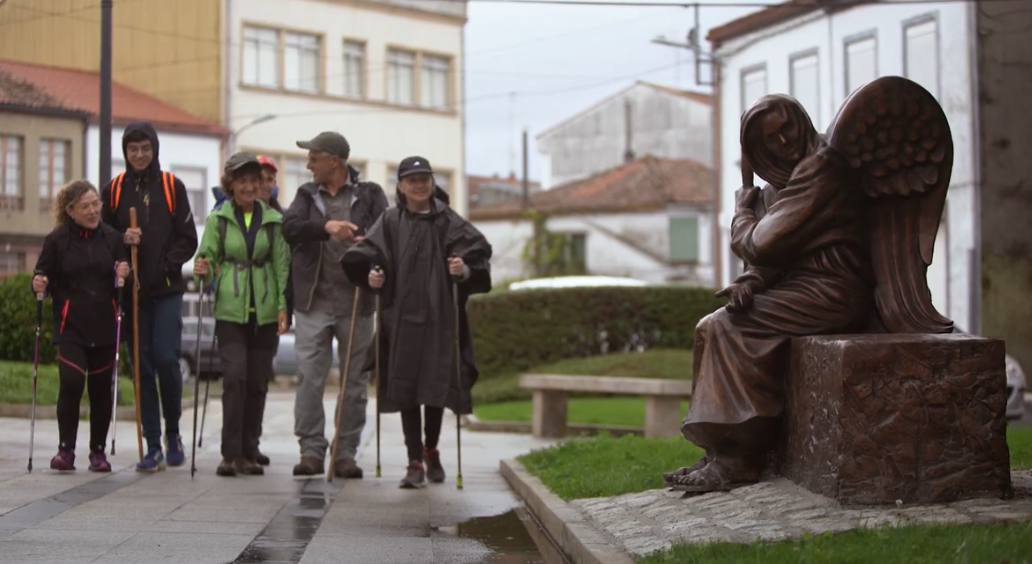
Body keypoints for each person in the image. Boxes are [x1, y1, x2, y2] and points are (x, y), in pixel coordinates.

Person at [342, 156, 493, 489]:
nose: (419, 184)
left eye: (424, 178)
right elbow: (371, 256)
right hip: (402, 318)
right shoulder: (391, 220)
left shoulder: (449, 221)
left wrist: (463, 270)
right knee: (407, 387)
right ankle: (414, 461)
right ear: (400, 186)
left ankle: (431, 448)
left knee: (435, 388)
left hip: (441, 319)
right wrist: (373, 277)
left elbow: (477, 253)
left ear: (432, 183)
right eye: (412, 179)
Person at [281, 131, 388, 479]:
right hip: (313, 303)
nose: (308, 164)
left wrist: (364, 241)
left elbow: (386, 231)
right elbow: (290, 227)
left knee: (354, 383)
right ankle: (311, 450)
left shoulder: (370, 193)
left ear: (334, 160)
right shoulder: (305, 195)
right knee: (310, 378)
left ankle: (345, 453)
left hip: (357, 301)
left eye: (314, 157)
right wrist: (326, 226)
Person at [101, 121, 198, 472]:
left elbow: (188, 239)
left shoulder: (173, 187)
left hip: (167, 289)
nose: (139, 155)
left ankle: (174, 433)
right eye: (132, 149)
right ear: (125, 153)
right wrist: (121, 241)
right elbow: (104, 235)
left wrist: (164, 267)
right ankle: (152, 443)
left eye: (145, 148)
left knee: (166, 361)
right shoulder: (113, 190)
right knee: (141, 368)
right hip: (133, 294)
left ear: (154, 149)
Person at [193, 153, 290, 477]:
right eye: (242, 181)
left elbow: (281, 267)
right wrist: (202, 271)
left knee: (258, 383)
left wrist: (282, 308)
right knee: (235, 379)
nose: (249, 187)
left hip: (263, 311)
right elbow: (204, 261)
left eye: (254, 181)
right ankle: (229, 453)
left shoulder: (273, 221)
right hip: (231, 310)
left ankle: (250, 451)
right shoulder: (218, 219)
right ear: (230, 185)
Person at [31, 180, 130, 472]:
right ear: (70, 210)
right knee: (72, 384)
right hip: (70, 325)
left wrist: (124, 272)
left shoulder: (113, 239)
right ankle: (66, 450)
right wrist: (39, 284)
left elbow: (124, 277)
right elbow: (42, 276)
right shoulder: (57, 240)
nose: (92, 210)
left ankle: (97, 452)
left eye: (95, 204)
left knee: (100, 390)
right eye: (84, 206)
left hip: (104, 325)